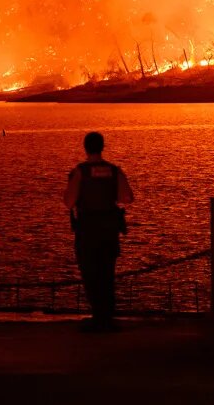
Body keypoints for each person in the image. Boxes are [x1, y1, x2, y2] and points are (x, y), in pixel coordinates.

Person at [63, 131, 134, 332]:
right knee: (107, 272)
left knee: (90, 273)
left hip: (87, 230)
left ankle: (98, 317)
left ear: (86, 148)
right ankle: (107, 317)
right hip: (109, 230)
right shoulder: (114, 171)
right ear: (102, 147)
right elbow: (127, 198)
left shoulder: (79, 172)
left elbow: (69, 202)